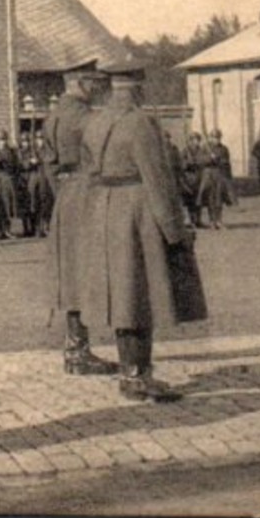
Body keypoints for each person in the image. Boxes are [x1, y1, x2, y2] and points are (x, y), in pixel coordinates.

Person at [78, 60, 207, 402]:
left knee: (121, 294)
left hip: (104, 210)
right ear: (137, 87)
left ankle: (129, 371)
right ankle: (138, 376)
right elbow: (158, 178)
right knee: (140, 293)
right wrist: (175, 230)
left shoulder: (94, 121)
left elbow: (88, 175)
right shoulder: (142, 123)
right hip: (137, 211)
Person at [41, 63, 115, 376]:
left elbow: (48, 165)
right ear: (81, 83)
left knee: (71, 273)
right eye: (94, 82)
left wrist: (64, 191)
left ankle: (75, 348)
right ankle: (79, 352)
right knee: (89, 272)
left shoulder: (53, 117)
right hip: (88, 196)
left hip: (66, 196)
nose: (98, 88)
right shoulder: (86, 118)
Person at [198, 129, 234, 230]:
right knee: (210, 199)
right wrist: (209, 158)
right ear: (210, 138)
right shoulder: (204, 148)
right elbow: (200, 161)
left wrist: (218, 159)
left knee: (219, 199)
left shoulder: (224, 149)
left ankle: (219, 221)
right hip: (208, 175)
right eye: (213, 137)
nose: (216, 140)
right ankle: (211, 221)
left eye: (217, 138)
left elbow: (227, 162)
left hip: (220, 175)